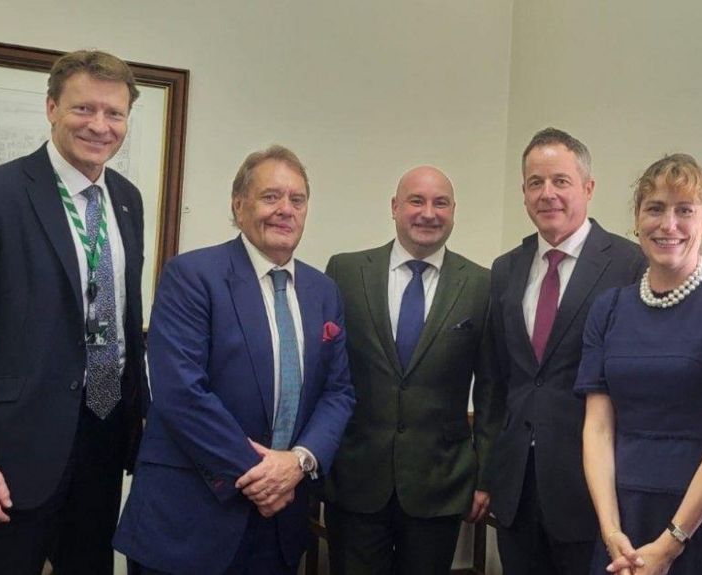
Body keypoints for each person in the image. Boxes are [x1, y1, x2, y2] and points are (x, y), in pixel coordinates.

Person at [113, 146, 355, 574]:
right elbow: (181, 392)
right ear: (238, 203)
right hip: (190, 519)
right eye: (270, 196)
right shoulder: (192, 276)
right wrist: (265, 476)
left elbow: (338, 393)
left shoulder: (323, 292)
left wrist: (298, 463)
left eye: (296, 200)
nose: (285, 210)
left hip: (279, 524)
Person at [0, 49, 146, 574]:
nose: (100, 126)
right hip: (14, 452)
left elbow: (126, 320)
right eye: (84, 109)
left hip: (104, 436)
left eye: (114, 113)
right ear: (51, 108)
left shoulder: (127, 200)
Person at [577, 154, 702, 575]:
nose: (669, 225)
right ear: (637, 219)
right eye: (655, 209)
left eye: (685, 210)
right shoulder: (608, 309)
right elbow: (598, 427)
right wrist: (611, 532)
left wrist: (670, 544)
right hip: (622, 524)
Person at [322, 166, 499, 575]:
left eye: (441, 203)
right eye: (416, 201)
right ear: (395, 207)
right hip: (356, 480)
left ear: (454, 211)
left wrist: (485, 475)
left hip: (440, 484)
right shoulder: (346, 273)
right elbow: (326, 377)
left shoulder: (481, 285)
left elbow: (492, 389)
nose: (428, 213)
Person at [487, 127, 643, 574]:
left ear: (588, 188)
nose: (547, 194)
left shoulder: (628, 265)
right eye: (535, 183)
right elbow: (499, 380)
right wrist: (491, 474)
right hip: (517, 487)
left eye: (560, 181)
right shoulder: (506, 270)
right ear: (523, 193)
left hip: (590, 489)